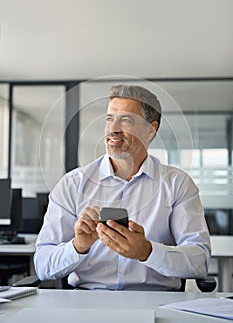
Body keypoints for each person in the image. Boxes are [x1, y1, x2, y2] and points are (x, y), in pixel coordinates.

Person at [34, 85, 211, 291]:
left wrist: (147, 251)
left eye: (125, 120)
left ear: (150, 130)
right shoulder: (72, 184)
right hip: (88, 302)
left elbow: (200, 261)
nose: (113, 129)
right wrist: (77, 246)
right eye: (109, 119)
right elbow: (42, 266)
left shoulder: (177, 184)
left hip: (156, 300)